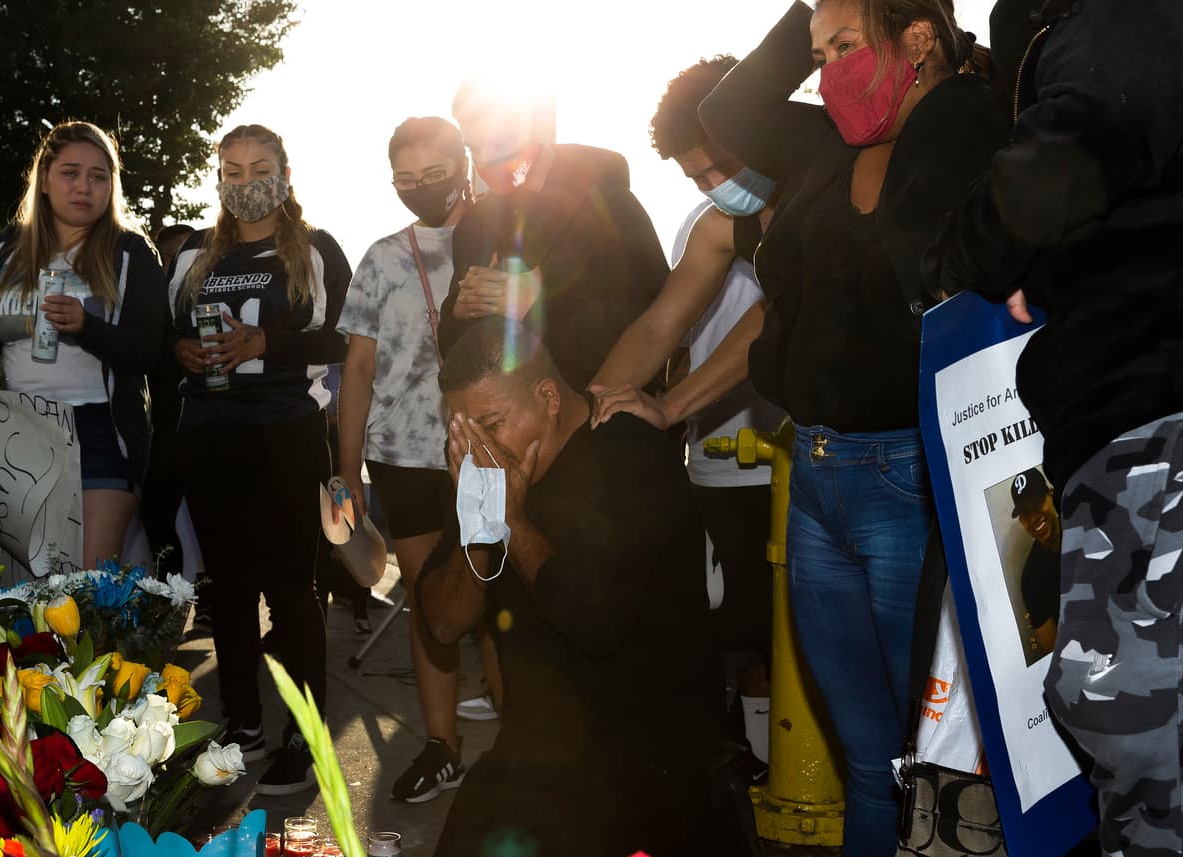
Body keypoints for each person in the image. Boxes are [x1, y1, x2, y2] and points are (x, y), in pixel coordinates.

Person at [591, 3, 1010, 853]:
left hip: (911, 478)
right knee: (867, 758)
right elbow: (731, 112)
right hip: (818, 473)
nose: (826, 70)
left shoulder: (969, 127)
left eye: (844, 47)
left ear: (920, 40)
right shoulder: (822, 149)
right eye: (816, 53)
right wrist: (815, 11)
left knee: (932, 763)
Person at [928, 2, 1183, 851]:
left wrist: (962, 262)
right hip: (1138, 432)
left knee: (1138, 731)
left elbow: (1049, 177)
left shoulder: (1120, 19)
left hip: (1151, 432)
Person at [416, 318, 721, 857]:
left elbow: (596, 623)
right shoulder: (493, 471)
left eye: (490, 422)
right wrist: (482, 529)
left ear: (548, 396)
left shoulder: (629, 456)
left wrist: (513, 520)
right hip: (538, 754)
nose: (477, 445)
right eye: (463, 430)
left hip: (645, 760)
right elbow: (442, 622)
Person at [591, 54, 787, 770]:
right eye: (696, 178)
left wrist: (669, 405)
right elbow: (657, 327)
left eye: (719, 167)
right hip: (739, 461)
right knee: (747, 627)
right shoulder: (717, 225)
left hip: (868, 450)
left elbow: (774, 318)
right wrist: (586, 414)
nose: (713, 188)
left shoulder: (824, 191)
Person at [168, 123, 351, 796]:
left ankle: (303, 735)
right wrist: (183, 353)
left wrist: (267, 343)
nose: (247, 182)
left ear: (285, 173)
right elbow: (167, 337)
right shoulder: (192, 253)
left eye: (260, 167)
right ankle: (241, 723)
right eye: (233, 171)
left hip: (286, 433)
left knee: (291, 591)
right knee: (232, 590)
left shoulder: (316, 250)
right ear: (219, 179)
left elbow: (346, 341)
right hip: (211, 434)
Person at [336, 116, 500, 802]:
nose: (418, 188)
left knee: (496, 599)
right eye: (405, 178)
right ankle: (442, 745)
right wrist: (347, 471)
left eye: (432, 173)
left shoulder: (504, 237)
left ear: (463, 163)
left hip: (487, 451)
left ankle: (521, 740)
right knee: (428, 605)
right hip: (403, 457)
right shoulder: (381, 257)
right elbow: (359, 367)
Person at [0, 121, 165, 568]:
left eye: (98, 176)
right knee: (23, 583)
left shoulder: (131, 253)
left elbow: (148, 354)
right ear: (44, 179)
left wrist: (86, 327)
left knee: (85, 590)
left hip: (101, 431)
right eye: (70, 172)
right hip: (14, 426)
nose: (83, 186)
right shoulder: (6, 248)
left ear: (111, 185)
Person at [437, 74, 668, 389]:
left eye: (500, 143)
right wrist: (460, 313)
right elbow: (454, 351)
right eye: (474, 149)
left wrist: (537, 306)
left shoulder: (608, 205)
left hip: (600, 411)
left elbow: (657, 321)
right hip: (507, 420)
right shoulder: (474, 225)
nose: (487, 160)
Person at [142, 224, 195, 585]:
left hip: (217, 431)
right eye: (169, 257)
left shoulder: (216, 300)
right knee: (157, 516)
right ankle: (169, 601)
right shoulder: (150, 308)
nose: (176, 264)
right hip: (166, 433)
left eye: (185, 255)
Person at [1008, 468, 1058, 656]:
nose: (1034, 518)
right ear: (1021, 520)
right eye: (1026, 513)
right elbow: (1055, 652)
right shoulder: (1031, 579)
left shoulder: (1083, 526)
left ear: (1051, 495)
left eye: (1037, 504)